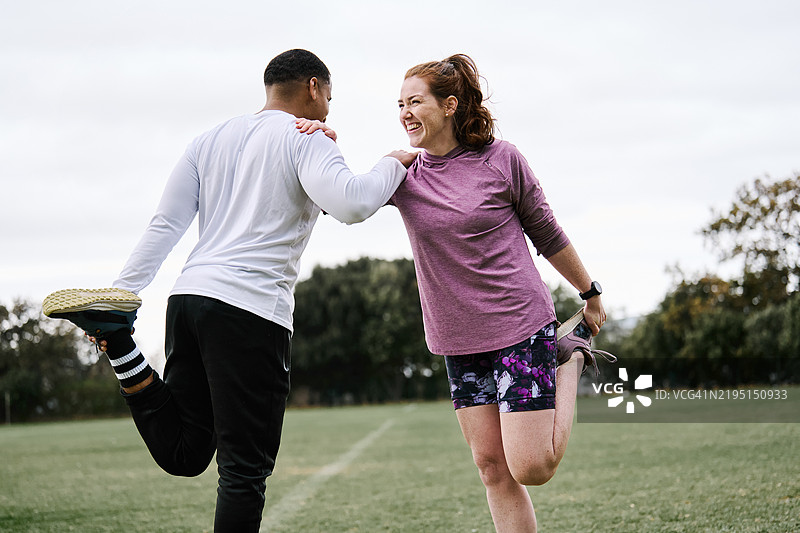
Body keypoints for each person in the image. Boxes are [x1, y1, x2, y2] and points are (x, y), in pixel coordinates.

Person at [42, 48, 415, 533]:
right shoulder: (308, 138)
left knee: (186, 452)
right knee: (243, 473)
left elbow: (166, 224)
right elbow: (354, 203)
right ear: (313, 88)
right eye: (329, 96)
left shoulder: (208, 140)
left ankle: (119, 343)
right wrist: (393, 160)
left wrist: (122, 295)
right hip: (251, 312)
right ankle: (116, 334)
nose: (329, 109)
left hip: (189, 301)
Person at [391, 54, 609, 532]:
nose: (404, 112)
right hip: (458, 341)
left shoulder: (501, 159)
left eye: (415, 101)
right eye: (399, 104)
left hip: (519, 326)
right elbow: (339, 197)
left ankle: (568, 359)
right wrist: (316, 141)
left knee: (532, 467)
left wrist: (589, 292)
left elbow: (547, 233)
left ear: (449, 105)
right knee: (492, 468)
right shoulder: (402, 175)